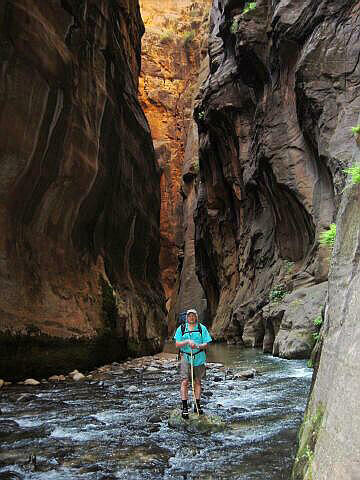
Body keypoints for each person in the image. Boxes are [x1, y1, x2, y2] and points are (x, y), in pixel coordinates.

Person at [174, 308, 212, 419]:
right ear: (187, 317)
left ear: (196, 317)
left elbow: (206, 343)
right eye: (189, 316)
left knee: (198, 381)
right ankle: (185, 407)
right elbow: (177, 344)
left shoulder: (202, 328)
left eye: (193, 315)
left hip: (199, 357)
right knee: (185, 381)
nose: (191, 317)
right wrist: (187, 342)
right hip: (186, 357)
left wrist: (198, 345)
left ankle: (197, 405)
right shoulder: (181, 329)